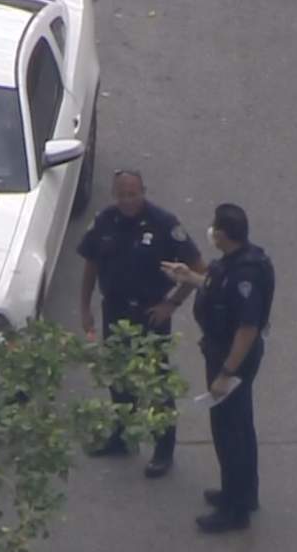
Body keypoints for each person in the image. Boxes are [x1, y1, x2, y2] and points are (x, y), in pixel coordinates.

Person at [77, 170, 205, 478]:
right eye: (122, 194)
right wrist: (84, 307)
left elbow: (198, 268)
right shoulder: (105, 221)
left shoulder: (164, 224)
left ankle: (163, 450)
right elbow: (91, 263)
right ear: (114, 194)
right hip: (116, 311)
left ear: (143, 191)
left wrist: (171, 303)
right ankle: (123, 437)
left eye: (133, 194)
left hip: (150, 315)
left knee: (156, 382)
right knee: (120, 377)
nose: (128, 200)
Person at [162, 203, 275, 532]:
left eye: (214, 228)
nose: (210, 231)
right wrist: (190, 278)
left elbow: (247, 328)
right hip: (223, 354)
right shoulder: (235, 263)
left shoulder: (247, 275)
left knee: (230, 434)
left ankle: (235, 510)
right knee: (238, 426)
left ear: (223, 235)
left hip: (232, 359)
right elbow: (218, 288)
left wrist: (226, 374)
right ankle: (241, 493)